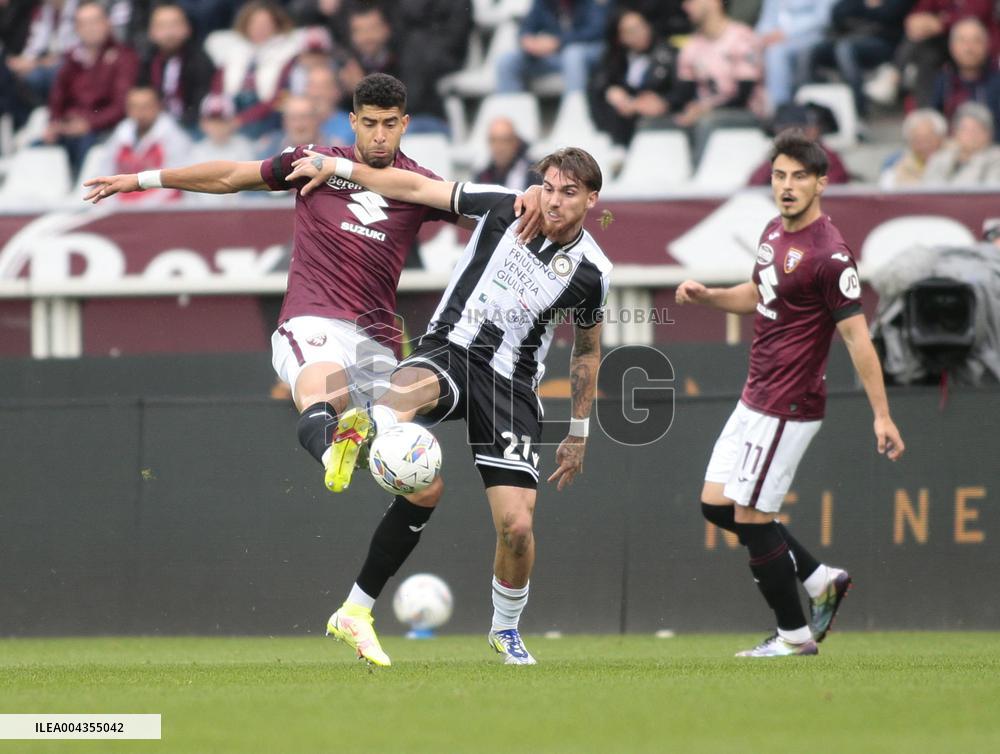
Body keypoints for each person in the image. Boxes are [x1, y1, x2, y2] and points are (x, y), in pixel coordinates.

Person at [83, 73, 542, 652]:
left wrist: (527, 200)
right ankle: (334, 446)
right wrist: (141, 179)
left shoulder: (414, 183)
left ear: (403, 124)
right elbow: (230, 175)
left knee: (425, 486)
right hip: (314, 318)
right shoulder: (311, 161)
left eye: (389, 124)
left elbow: (479, 209)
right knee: (320, 388)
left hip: (379, 342)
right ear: (352, 122)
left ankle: (356, 609)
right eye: (368, 123)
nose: (378, 134)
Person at [287, 146, 610, 667]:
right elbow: (415, 188)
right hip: (452, 348)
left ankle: (505, 630)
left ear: (591, 200)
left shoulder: (592, 272)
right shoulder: (507, 206)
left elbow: (588, 351)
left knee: (517, 528)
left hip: (511, 386)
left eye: (568, 193)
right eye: (547, 187)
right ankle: (362, 438)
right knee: (402, 396)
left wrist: (578, 432)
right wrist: (339, 168)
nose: (552, 201)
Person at [676, 129, 905, 657]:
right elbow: (758, 294)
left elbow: (857, 338)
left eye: (799, 176)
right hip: (755, 394)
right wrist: (709, 297)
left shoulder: (830, 256)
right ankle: (822, 578)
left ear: (821, 183)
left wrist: (882, 416)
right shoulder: (772, 233)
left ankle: (794, 636)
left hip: (790, 403)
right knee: (717, 506)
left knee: (752, 516)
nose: (787, 185)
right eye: (779, 175)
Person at [658, 0, 767, 166]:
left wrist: (706, 109)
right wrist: (661, 104)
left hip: (746, 113)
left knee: (706, 121)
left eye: (691, 1)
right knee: (655, 123)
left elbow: (744, 95)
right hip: (705, 111)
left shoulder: (742, 37)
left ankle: (698, 182)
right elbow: (683, 93)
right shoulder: (692, 45)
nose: (685, 7)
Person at [43, 0, 139, 176]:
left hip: (104, 129)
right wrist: (54, 123)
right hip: (70, 126)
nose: (90, 28)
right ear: (76, 28)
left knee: (87, 145)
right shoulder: (71, 58)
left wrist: (89, 123)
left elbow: (122, 105)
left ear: (107, 23)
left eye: (95, 21)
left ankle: (83, 195)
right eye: (83, 23)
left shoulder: (124, 57)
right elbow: (57, 97)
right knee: (39, 148)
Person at [588, 8, 675, 147]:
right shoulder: (615, 58)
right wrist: (609, 91)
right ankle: (618, 149)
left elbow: (679, 89)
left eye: (641, 27)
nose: (639, 34)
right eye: (631, 31)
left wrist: (664, 102)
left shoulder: (667, 54)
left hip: (659, 117)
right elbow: (599, 83)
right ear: (620, 37)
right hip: (624, 121)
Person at [100, 85, 192, 203]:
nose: (139, 112)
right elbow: (105, 175)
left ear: (159, 107)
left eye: (146, 106)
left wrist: (141, 206)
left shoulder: (175, 138)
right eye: (134, 107)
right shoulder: (120, 134)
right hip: (121, 209)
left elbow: (176, 184)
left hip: (162, 211)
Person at [495, 0, 609, 94]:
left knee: (573, 55)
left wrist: (559, 41)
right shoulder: (542, 2)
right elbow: (526, 27)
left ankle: (575, 112)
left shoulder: (590, 3)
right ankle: (510, 117)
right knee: (507, 61)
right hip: (553, 56)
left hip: (587, 55)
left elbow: (597, 30)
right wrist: (529, 41)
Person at [139, 2, 217, 133]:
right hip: (154, 126)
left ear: (187, 29)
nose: (169, 32)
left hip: (191, 126)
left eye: (174, 25)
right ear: (151, 32)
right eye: (162, 26)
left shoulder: (200, 60)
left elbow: (202, 102)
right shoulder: (146, 60)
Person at [755, 0, 836, 110]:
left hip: (811, 35)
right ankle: (751, 108)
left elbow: (823, 18)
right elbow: (767, 19)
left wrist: (786, 32)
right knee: (749, 49)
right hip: (777, 38)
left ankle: (781, 108)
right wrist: (763, 37)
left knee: (776, 52)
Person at [746, 104, 849, 184]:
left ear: (812, 132)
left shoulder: (828, 159)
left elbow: (831, 196)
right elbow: (754, 188)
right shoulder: (777, 160)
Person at [928, 17, 1000, 125]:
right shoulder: (942, 81)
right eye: (962, 41)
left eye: (976, 41)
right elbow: (933, 119)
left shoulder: (997, 82)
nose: (969, 48)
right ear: (952, 47)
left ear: (987, 46)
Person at [921, 101, 1000, 185]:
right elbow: (928, 188)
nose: (971, 135)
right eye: (965, 129)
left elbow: (990, 192)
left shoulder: (996, 159)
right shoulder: (939, 159)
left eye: (975, 130)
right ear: (955, 132)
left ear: (988, 134)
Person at [879, 107, 948, 188]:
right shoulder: (895, 164)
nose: (924, 145)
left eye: (928, 139)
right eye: (917, 141)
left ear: (941, 138)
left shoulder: (956, 159)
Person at [473, 116, 543, 191]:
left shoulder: (535, 174)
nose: (499, 147)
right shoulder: (482, 176)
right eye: (494, 140)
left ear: (515, 142)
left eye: (505, 141)